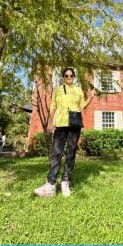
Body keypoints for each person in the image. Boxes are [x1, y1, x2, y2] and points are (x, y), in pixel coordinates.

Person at [34, 68, 92, 198]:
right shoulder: (58, 90)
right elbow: (53, 107)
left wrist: (90, 98)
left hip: (74, 124)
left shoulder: (78, 90)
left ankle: (66, 181)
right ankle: (50, 184)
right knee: (56, 153)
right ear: (63, 77)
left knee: (71, 152)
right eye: (66, 75)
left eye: (71, 75)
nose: (69, 77)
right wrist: (50, 122)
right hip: (60, 124)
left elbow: (82, 106)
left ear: (74, 77)